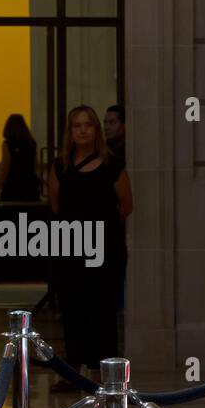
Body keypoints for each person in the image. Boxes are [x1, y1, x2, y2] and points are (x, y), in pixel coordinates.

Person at [48, 105, 132, 382]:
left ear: (96, 130)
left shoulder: (112, 165)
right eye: (77, 125)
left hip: (105, 249)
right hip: (70, 247)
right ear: (70, 132)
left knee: (103, 309)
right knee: (72, 308)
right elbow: (56, 205)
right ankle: (73, 368)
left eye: (88, 125)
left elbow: (126, 205)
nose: (83, 130)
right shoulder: (60, 166)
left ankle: (101, 368)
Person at [0, 113, 41, 201]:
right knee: (24, 212)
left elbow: (5, 167)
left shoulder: (7, 144)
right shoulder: (32, 144)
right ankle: (23, 216)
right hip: (29, 185)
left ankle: (20, 216)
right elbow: (35, 165)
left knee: (14, 211)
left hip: (13, 185)